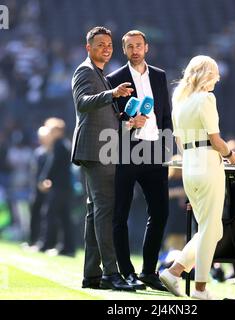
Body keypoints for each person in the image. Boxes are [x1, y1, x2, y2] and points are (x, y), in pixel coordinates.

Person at [159, 55, 235, 300]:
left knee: (212, 230)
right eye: (215, 72)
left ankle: (175, 271)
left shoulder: (179, 100)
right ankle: (200, 288)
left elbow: (179, 142)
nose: (218, 77)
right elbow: (216, 141)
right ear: (206, 74)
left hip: (189, 166)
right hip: (207, 165)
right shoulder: (207, 98)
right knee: (209, 229)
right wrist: (232, 154)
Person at [107, 30, 172, 291]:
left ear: (147, 47)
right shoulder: (114, 79)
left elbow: (166, 114)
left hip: (155, 150)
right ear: (124, 50)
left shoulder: (159, 75)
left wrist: (168, 148)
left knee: (160, 212)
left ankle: (148, 271)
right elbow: (111, 118)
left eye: (139, 45)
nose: (135, 50)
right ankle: (127, 272)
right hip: (125, 150)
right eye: (130, 46)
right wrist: (129, 121)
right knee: (120, 213)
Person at [71, 26, 135, 291]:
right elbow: (82, 102)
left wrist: (126, 120)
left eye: (109, 44)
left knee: (95, 212)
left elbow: (103, 114)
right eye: (100, 44)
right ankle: (110, 272)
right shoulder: (84, 71)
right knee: (105, 211)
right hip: (96, 151)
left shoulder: (100, 74)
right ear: (88, 47)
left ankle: (92, 275)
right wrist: (112, 94)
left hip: (102, 149)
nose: (106, 48)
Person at [37, 118, 75, 256]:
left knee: (50, 214)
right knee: (64, 217)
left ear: (58, 131)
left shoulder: (59, 145)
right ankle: (67, 247)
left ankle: (46, 244)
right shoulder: (64, 144)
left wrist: (45, 178)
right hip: (65, 186)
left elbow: (53, 164)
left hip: (59, 186)